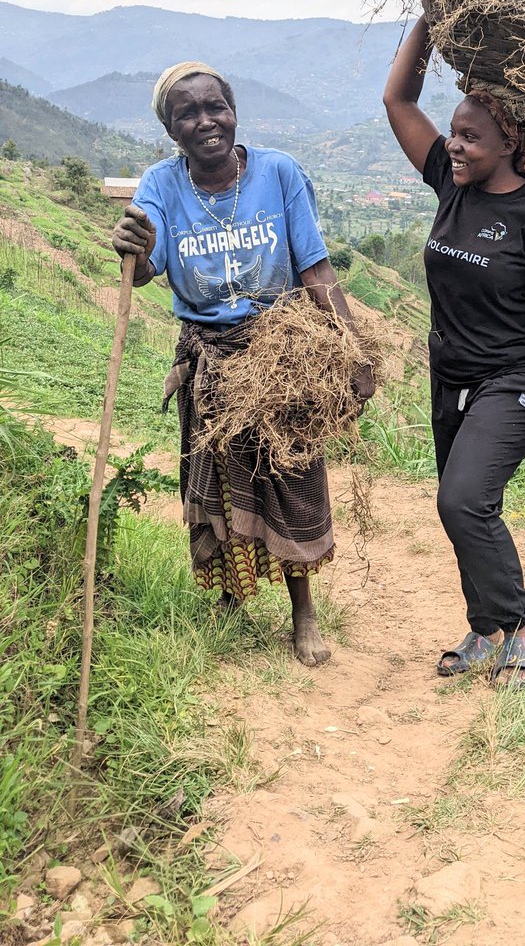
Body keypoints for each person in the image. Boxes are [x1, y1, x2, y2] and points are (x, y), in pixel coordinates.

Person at [112, 61, 374, 666]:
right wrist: (137, 249)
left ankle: (303, 611)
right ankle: (229, 596)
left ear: (234, 111)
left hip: (280, 354)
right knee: (218, 483)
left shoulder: (280, 173)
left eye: (216, 107)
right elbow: (146, 268)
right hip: (207, 353)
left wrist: (353, 350)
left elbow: (315, 269)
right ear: (170, 129)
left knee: (290, 477)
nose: (206, 121)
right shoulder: (161, 185)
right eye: (188, 114)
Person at [383, 17, 525, 687]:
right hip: (451, 375)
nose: (455, 145)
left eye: (471, 137)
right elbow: (397, 102)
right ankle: (485, 626)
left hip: (514, 381)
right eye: (454, 133)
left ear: (510, 144)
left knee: (464, 500)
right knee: (457, 503)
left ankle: (520, 629)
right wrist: (430, 20)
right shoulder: (450, 181)